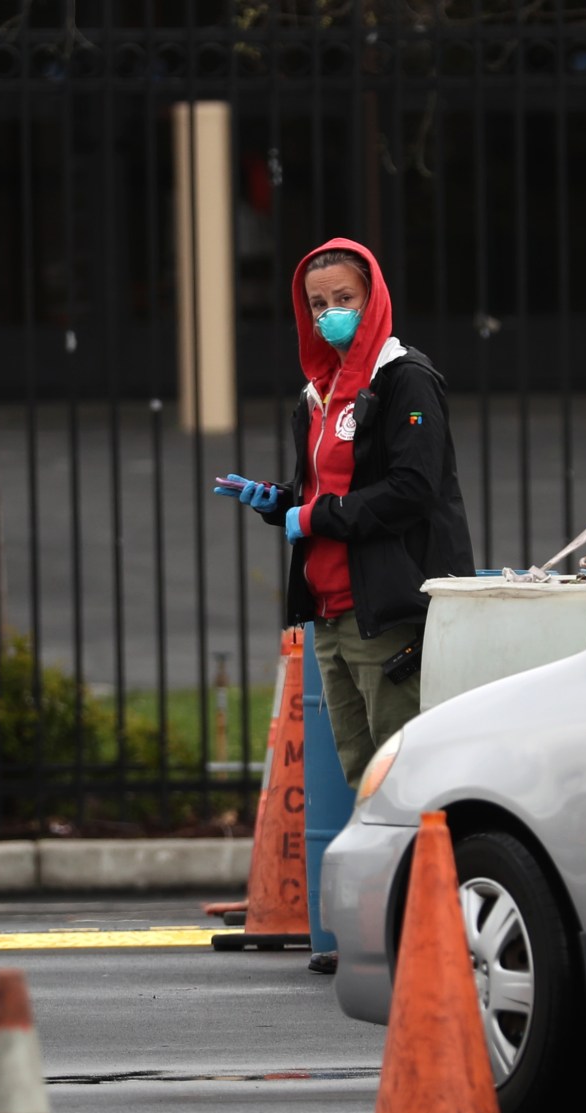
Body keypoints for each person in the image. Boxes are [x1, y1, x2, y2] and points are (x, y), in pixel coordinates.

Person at [213, 240, 472, 788]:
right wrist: (282, 500)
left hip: (384, 615)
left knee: (407, 780)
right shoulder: (319, 393)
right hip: (331, 617)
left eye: (344, 298)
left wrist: (312, 518)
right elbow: (333, 487)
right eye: (317, 304)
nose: (330, 314)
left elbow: (412, 489)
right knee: (364, 782)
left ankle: (423, 876)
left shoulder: (405, 380)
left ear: (373, 298)